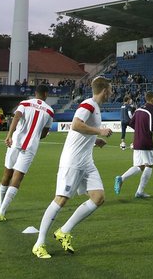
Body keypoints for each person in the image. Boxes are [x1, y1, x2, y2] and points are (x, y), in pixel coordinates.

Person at [31, 76, 114, 259]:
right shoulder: (89, 104)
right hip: (73, 161)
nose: (112, 92)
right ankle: (39, 243)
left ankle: (64, 231)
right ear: (105, 90)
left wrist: (94, 140)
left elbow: (83, 130)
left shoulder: (96, 108)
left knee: (98, 197)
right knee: (60, 199)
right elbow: (76, 125)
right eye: (111, 89)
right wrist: (99, 131)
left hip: (86, 161)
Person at [0, 84, 55, 222]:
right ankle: (2, 212)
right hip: (30, 147)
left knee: (7, 173)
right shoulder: (50, 111)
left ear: (35, 93)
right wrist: (35, 136)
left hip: (15, 142)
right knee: (17, 177)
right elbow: (45, 133)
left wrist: (9, 135)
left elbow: (16, 117)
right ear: (46, 94)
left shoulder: (24, 103)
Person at [114, 92, 153, 199]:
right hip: (146, 143)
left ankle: (121, 178)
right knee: (149, 165)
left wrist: (139, 131)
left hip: (137, 142)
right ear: (151, 99)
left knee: (139, 166)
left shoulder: (139, 109)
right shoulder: (151, 111)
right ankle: (140, 192)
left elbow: (131, 123)